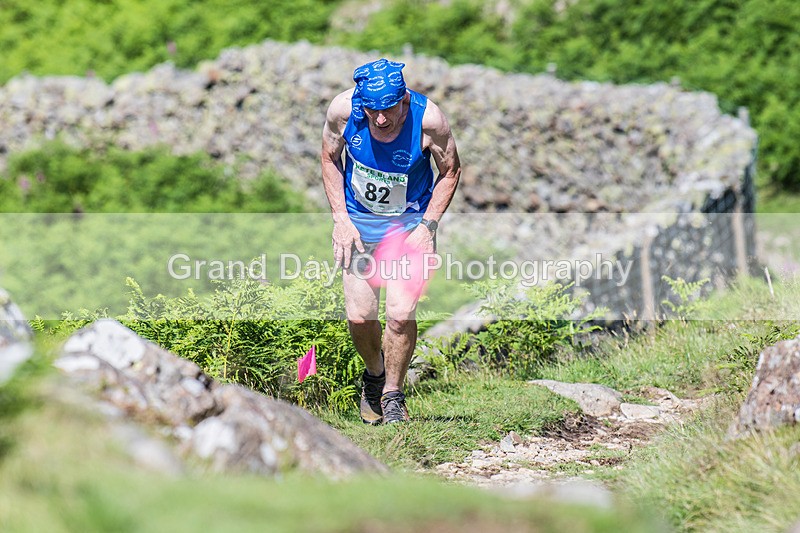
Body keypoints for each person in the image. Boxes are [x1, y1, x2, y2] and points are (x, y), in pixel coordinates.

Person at [321, 58, 461, 424]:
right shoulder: (342, 110)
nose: (380, 119)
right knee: (360, 316)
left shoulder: (429, 121)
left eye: (388, 110)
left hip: (408, 225)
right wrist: (341, 220)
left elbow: (450, 171)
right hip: (360, 224)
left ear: (403, 100)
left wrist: (428, 227)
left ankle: (393, 394)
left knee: (399, 316)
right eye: (372, 111)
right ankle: (374, 374)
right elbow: (329, 158)